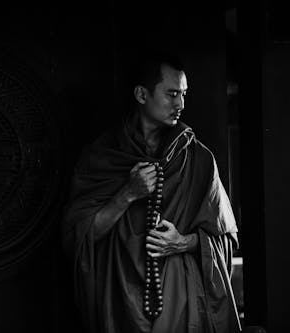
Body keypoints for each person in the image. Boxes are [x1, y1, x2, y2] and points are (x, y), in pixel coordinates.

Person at [61, 53, 241, 333]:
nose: (180, 104)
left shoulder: (197, 159)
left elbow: (226, 239)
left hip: (180, 303)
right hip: (117, 300)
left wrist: (182, 242)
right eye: (171, 94)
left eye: (183, 94)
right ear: (142, 94)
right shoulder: (102, 157)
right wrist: (127, 194)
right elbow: (80, 236)